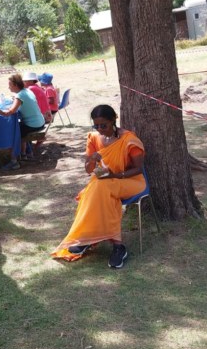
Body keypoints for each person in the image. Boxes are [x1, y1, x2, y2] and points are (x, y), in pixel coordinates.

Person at [51, 105, 146, 269]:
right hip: (104, 182)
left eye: (104, 125)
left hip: (130, 181)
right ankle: (117, 246)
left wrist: (115, 176)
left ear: (113, 120)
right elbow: (89, 171)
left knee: (97, 190)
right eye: (97, 126)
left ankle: (87, 239)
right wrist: (92, 160)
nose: (100, 129)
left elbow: (138, 169)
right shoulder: (94, 138)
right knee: (102, 191)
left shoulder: (129, 140)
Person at [0, 74, 47, 168]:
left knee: (13, 133)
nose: (8, 87)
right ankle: (24, 153)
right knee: (19, 128)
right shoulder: (27, 90)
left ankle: (14, 161)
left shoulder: (20, 95)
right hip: (40, 121)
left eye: (10, 85)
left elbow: (11, 111)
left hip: (33, 125)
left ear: (15, 85)